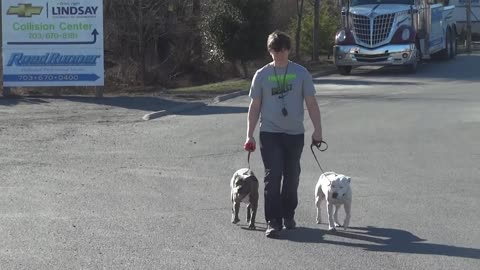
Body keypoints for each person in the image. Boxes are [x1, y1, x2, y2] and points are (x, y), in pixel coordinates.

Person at [244, 30, 323, 238]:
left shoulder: (301, 73)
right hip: (270, 133)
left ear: (289, 49)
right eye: (275, 50)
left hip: (295, 134)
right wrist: (249, 134)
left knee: (292, 177)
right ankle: (273, 221)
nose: (279, 54)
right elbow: (255, 106)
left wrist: (318, 130)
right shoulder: (261, 75)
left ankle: (288, 214)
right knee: (273, 175)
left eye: (283, 49)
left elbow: (312, 103)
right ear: (270, 51)